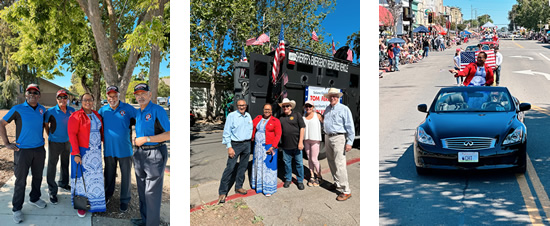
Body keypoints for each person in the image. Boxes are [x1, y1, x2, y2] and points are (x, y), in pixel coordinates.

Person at [0, 84, 48, 223]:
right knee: (20, 181)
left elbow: (45, 125)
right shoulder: (17, 109)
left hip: (39, 149)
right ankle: (17, 208)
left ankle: (34, 198)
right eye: (29, 92)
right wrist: (7, 143)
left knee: (38, 177)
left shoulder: (42, 109)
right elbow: (1, 123)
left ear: (39, 95)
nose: (32, 94)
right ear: (26, 95)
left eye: (35, 92)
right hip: (22, 151)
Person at [131, 83, 171, 226]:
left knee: (151, 193)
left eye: (143, 93)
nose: (140, 96)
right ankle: (145, 220)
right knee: (142, 190)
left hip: (154, 153)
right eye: (137, 94)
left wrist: (147, 139)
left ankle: (152, 223)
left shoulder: (157, 110)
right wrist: (136, 138)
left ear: (150, 94)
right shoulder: (138, 111)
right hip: (140, 154)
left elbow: (169, 134)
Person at [98, 86, 137, 213]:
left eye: (115, 96)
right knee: (108, 175)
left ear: (119, 96)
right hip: (109, 149)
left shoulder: (128, 109)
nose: (112, 98)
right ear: (107, 97)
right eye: (110, 96)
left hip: (125, 149)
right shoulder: (103, 110)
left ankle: (125, 200)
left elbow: (140, 121)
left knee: (126, 176)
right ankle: (108, 195)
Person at [68, 93, 106, 217]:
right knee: (81, 179)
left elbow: (102, 132)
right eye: (85, 100)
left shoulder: (96, 115)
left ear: (93, 101)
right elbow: (72, 135)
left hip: (95, 152)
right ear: (81, 101)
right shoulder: (76, 116)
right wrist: (76, 153)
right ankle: (81, 205)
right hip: (82, 152)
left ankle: (95, 204)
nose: (88, 102)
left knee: (94, 179)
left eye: (90, 100)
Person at [323, 88, 355, 201]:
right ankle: (337, 183)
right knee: (331, 161)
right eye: (331, 96)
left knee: (340, 163)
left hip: (339, 138)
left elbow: (350, 126)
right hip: (328, 137)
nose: (333, 98)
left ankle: (346, 190)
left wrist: (349, 142)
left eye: (335, 96)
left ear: (338, 97)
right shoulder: (327, 109)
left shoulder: (344, 109)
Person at [218, 98, 253, 204]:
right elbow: (226, 133)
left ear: (246, 106)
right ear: (237, 106)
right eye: (240, 105)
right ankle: (222, 192)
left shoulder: (248, 116)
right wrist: (229, 147)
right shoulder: (231, 116)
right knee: (230, 168)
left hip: (247, 144)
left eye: (244, 105)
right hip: (235, 145)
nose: (242, 107)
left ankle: (239, 186)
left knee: (242, 167)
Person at [44, 89, 75, 205]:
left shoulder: (72, 110)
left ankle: (63, 183)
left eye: (64, 97)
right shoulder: (50, 111)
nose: (62, 100)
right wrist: (50, 135)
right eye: (60, 98)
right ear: (56, 99)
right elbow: (46, 125)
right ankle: (52, 190)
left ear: (67, 99)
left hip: (67, 142)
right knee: (52, 165)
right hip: (54, 143)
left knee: (65, 163)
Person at [251, 103, 282, 197]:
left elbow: (278, 134)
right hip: (258, 146)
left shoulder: (275, 120)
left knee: (268, 166)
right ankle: (258, 185)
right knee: (258, 165)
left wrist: (273, 146)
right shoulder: (258, 118)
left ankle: (268, 188)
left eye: (269, 109)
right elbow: (250, 125)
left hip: (269, 146)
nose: (267, 111)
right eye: (265, 109)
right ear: (263, 110)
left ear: (271, 111)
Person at [278, 98, 306, 190]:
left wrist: (301, 142)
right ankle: (288, 179)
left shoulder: (297, 115)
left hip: (297, 145)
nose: (285, 107)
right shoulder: (281, 117)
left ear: (290, 107)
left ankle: (300, 180)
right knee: (287, 163)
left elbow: (302, 128)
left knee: (299, 163)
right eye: (284, 106)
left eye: (287, 106)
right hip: (286, 146)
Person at [302, 100, 323, 187]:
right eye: (306, 106)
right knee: (309, 158)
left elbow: (326, 123)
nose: (308, 108)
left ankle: (319, 176)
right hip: (306, 139)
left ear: (313, 107)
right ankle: (312, 175)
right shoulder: (303, 116)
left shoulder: (317, 115)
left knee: (314, 159)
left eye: (310, 106)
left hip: (315, 140)